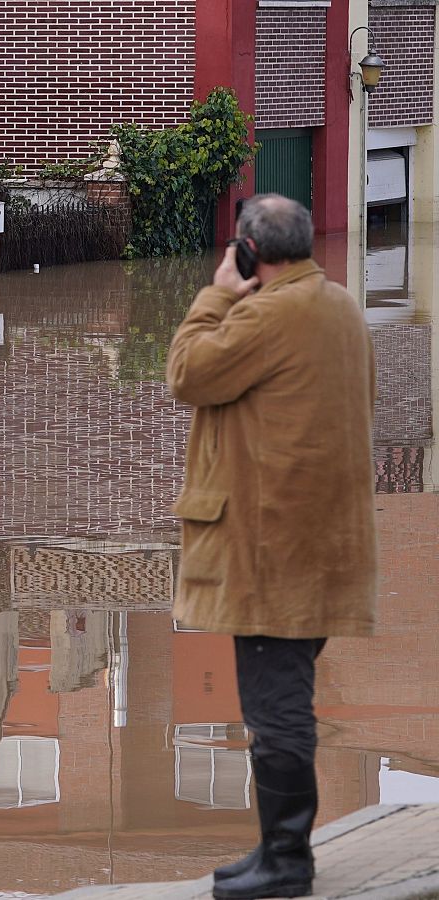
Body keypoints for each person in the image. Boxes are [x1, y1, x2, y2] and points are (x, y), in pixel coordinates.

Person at [166, 194, 377, 900]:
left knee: (276, 709)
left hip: (270, 549)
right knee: (283, 695)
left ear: (251, 253)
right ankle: (273, 852)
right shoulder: (342, 306)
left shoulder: (259, 315)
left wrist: (215, 295)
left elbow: (187, 374)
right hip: (324, 541)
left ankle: (286, 864)